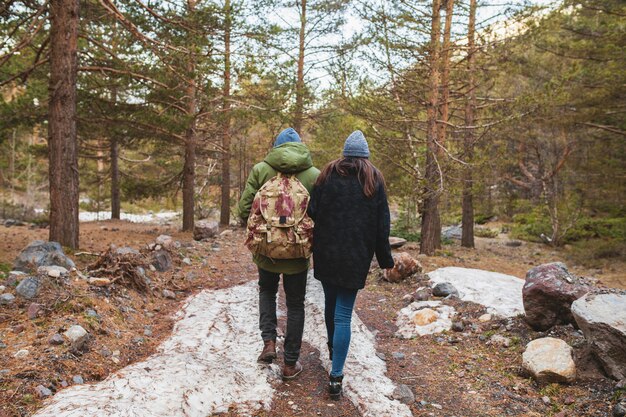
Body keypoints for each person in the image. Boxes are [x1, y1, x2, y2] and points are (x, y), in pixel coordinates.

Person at [308, 130, 394, 400]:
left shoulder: (326, 175)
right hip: (355, 257)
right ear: (365, 156)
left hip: (326, 253)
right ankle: (336, 373)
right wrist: (385, 260)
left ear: (345, 153)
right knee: (343, 315)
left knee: (330, 307)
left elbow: (312, 211)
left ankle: (335, 350)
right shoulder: (374, 179)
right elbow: (382, 225)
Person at [237, 127, 320, 380]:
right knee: (295, 304)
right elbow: (321, 213)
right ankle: (290, 363)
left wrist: (259, 228)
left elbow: (243, 208)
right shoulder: (314, 174)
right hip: (298, 251)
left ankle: (269, 342)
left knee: (267, 291)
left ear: (276, 147)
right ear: (300, 147)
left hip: (266, 250)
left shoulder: (262, 170)